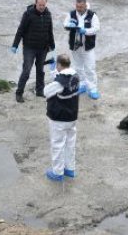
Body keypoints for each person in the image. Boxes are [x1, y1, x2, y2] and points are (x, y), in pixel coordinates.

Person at [43, 54, 86, 182]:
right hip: (72, 117)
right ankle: (70, 169)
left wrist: (54, 74)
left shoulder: (60, 81)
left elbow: (46, 91)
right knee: (70, 143)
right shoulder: (75, 76)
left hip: (59, 118)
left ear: (59, 65)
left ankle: (57, 172)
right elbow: (63, 82)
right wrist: (54, 72)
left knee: (57, 144)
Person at [11, 0, 56, 103]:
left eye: (43, 5)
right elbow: (20, 30)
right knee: (26, 70)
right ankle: (19, 93)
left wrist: (52, 45)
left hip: (43, 48)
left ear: (46, 4)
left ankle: (39, 91)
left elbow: (50, 31)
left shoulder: (48, 14)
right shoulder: (28, 14)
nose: (42, 7)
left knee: (40, 70)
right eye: (40, 5)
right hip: (29, 48)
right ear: (35, 4)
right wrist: (15, 45)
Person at [63, 0, 101, 99]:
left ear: (85, 5)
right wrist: (70, 25)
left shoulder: (92, 15)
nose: (78, 8)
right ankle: (83, 84)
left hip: (87, 46)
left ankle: (92, 88)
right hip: (75, 46)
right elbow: (65, 24)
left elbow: (96, 28)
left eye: (80, 7)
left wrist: (85, 31)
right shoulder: (71, 14)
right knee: (78, 66)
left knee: (90, 68)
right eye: (77, 6)